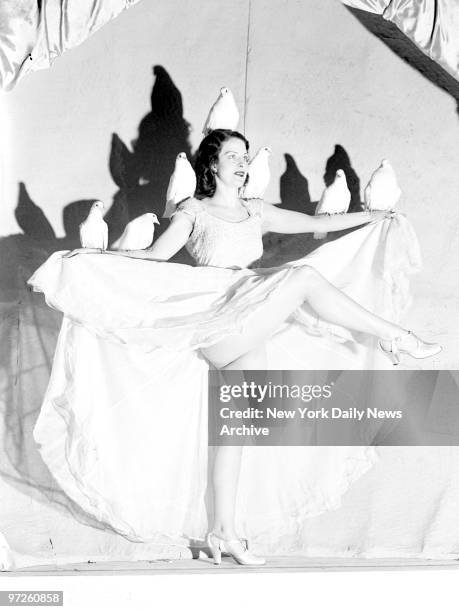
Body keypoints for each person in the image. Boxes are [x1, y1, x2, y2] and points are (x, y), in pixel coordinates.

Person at [29, 129, 441, 566]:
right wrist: (94, 261)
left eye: (245, 155)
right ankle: (396, 335)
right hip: (218, 319)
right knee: (302, 279)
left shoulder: (256, 211)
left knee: (236, 433)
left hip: (249, 313)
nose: (242, 163)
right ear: (211, 165)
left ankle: (223, 532)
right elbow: (155, 256)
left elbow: (319, 225)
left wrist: (375, 218)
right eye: (232, 156)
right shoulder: (194, 210)